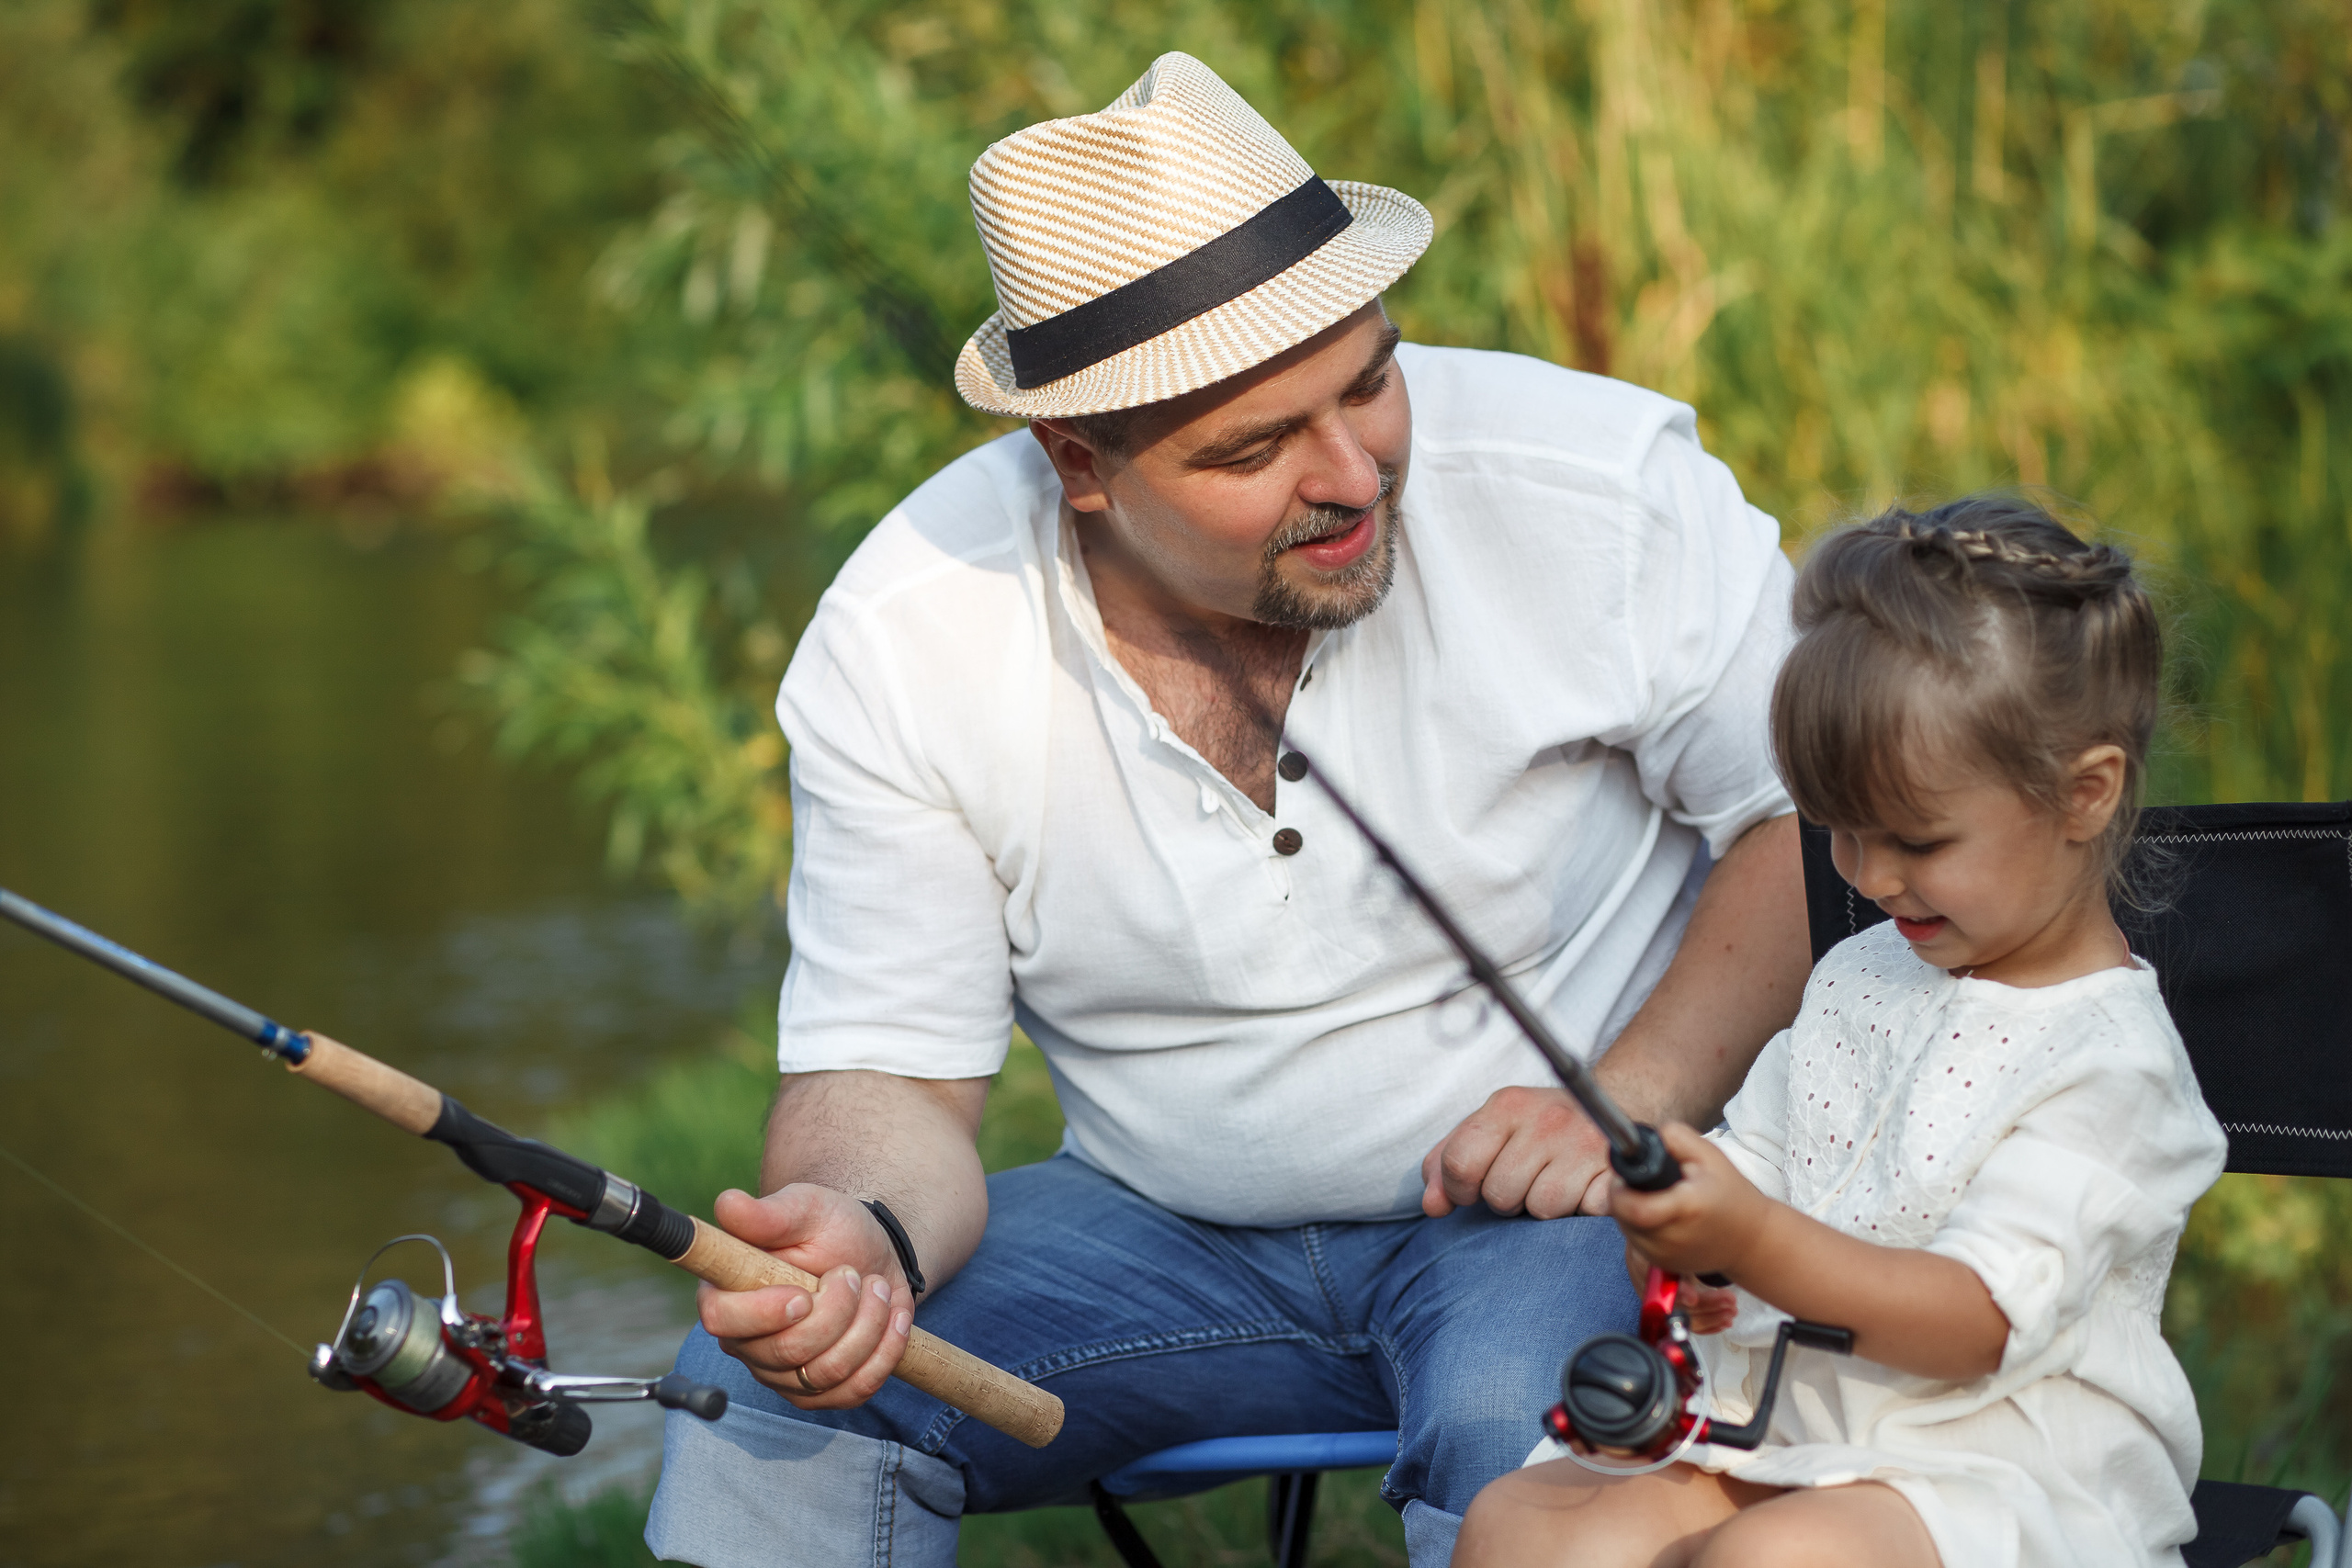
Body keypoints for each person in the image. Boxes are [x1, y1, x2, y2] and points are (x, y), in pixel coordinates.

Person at [646, 52, 1812, 1567]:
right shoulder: (910, 627)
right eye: (1255, 447)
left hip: (1556, 1229)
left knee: (1533, 1425)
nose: (1353, 474)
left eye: (1369, 381)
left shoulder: (1599, 485)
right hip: (1155, 1233)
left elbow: (1813, 819)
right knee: (757, 1390)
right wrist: (858, 1237)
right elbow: (896, 1079)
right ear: (1079, 460)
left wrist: (1635, 1095)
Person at [1453, 497, 2229, 1568]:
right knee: (1521, 1530)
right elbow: (1758, 1160)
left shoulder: (2112, 1065)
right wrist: (1676, 1230)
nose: (1865, 875)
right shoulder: (1864, 971)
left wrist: (1754, 1240)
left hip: (1991, 1464)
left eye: (1913, 837)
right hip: (1779, 1426)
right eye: (1839, 832)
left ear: (2083, 794)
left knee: (1778, 1562)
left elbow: (1974, 1322)